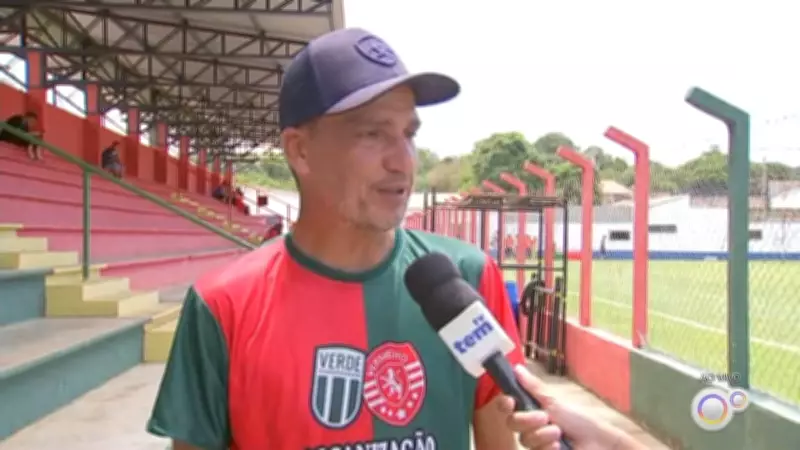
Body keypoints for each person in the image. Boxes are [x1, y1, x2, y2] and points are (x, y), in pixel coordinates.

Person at [146, 27, 644, 450]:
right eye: (373, 134)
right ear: (299, 150)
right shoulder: (222, 305)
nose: (402, 159)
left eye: (409, 133)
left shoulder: (464, 280)